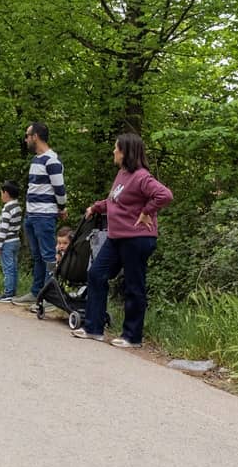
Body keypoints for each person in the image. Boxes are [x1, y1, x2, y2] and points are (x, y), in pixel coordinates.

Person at [71, 132, 173, 348]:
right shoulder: (122, 174)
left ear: (125, 152)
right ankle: (94, 328)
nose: (113, 151)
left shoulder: (141, 176)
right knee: (96, 274)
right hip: (116, 237)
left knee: (133, 286)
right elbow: (114, 201)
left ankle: (132, 337)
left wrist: (147, 211)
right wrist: (95, 207)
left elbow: (165, 195)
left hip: (137, 238)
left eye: (116, 148)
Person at [12, 122, 66, 306]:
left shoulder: (52, 160)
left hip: (44, 215)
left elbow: (59, 188)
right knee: (37, 256)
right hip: (32, 215)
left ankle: (50, 297)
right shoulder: (36, 160)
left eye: (27, 135)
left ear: (35, 136)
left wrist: (62, 207)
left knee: (48, 255)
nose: (26, 139)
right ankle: (36, 293)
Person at [0, 180, 22, 302]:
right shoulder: (17, 207)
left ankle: (8, 293)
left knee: (7, 268)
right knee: (13, 267)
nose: (1, 195)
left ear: (6, 193)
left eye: (1, 193)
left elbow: (3, 230)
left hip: (7, 242)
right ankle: (12, 292)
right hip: (16, 240)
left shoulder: (7, 209)